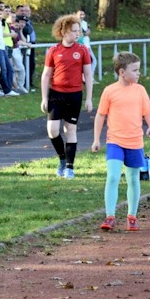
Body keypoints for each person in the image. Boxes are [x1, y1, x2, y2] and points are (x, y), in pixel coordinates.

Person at [92, 52, 150, 232]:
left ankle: (132, 216)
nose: (138, 73)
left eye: (138, 70)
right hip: (115, 141)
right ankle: (110, 216)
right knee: (112, 176)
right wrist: (96, 139)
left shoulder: (140, 90)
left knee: (133, 179)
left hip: (135, 142)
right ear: (121, 72)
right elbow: (100, 115)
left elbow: (148, 112)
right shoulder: (110, 91)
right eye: (134, 70)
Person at [41, 14, 94, 180]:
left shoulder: (82, 50)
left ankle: (70, 167)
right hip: (56, 94)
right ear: (63, 32)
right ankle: (62, 159)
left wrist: (89, 98)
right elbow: (46, 75)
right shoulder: (54, 50)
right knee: (53, 130)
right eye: (73, 31)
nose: (77, 34)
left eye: (78, 31)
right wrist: (44, 98)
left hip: (74, 94)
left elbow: (88, 74)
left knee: (70, 129)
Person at [77, 9, 97, 78]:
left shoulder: (85, 23)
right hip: (82, 45)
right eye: (80, 14)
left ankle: (89, 78)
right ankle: (88, 78)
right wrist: (85, 33)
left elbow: (89, 32)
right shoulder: (76, 23)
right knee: (90, 61)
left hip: (87, 45)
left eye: (83, 14)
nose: (82, 16)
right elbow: (80, 35)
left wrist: (86, 33)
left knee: (92, 61)